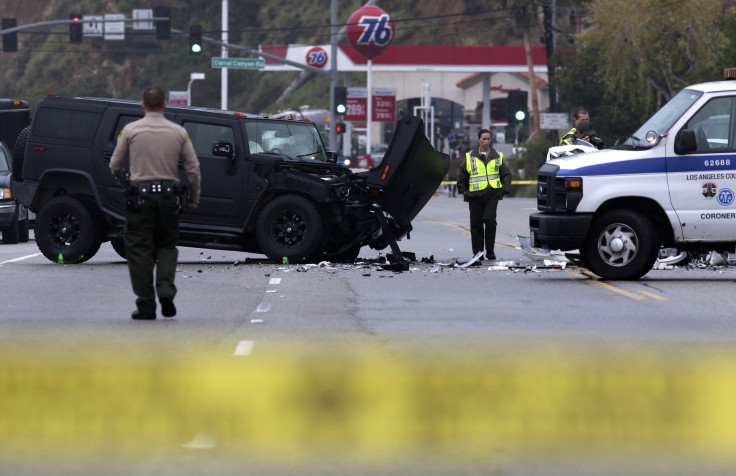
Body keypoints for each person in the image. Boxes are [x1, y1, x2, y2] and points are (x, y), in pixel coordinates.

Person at [110, 86, 201, 320]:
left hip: (140, 198)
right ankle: (165, 291)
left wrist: (126, 184)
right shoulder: (179, 132)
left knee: (139, 249)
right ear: (164, 105)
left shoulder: (130, 131)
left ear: (142, 104)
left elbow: (115, 165)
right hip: (170, 197)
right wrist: (194, 197)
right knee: (167, 246)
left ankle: (146, 304)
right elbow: (193, 169)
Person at [457, 129, 512, 261]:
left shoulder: (497, 155)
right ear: (478, 140)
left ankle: (490, 251)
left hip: (492, 194)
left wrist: (503, 191)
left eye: (488, 139)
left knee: (489, 220)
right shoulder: (470, 156)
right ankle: (478, 252)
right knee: (476, 224)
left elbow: (506, 174)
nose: (486, 142)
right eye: (484, 139)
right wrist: (464, 191)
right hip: (475, 195)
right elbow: (462, 175)